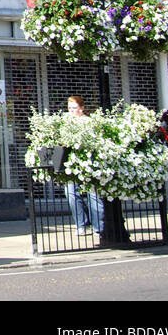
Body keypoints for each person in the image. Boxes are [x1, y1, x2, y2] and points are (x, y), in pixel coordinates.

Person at [64, 96, 104, 236]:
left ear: (81, 107)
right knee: (71, 194)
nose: (71, 111)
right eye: (69, 108)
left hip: (88, 162)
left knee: (93, 194)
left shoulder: (88, 122)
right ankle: (81, 224)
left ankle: (98, 226)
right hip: (71, 163)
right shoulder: (66, 122)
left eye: (74, 108)